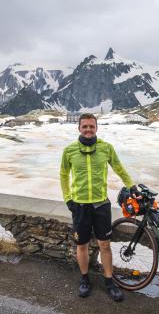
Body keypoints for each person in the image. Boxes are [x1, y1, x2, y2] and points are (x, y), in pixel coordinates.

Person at [59, 113, 138, 302]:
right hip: (79, 206)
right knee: (82, 245)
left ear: (96, 128)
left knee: (105, 245)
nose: (88, 129)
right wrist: (68, 199)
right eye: (84, 126)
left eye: (91, 126)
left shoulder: (106, 148)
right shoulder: (69, 150)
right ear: (79, 128)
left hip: (101, 204)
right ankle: (85, 279)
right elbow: (63, 175)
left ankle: (109, 281)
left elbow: (119, 167)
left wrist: (131, 186)